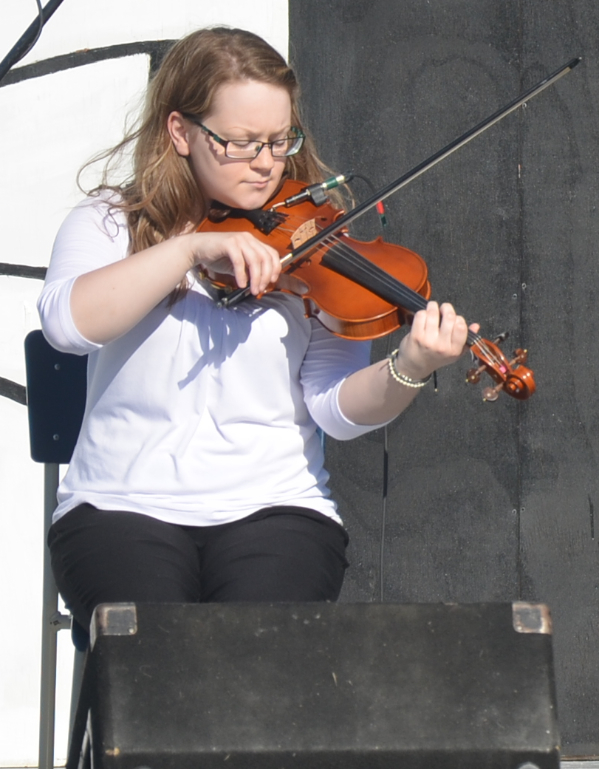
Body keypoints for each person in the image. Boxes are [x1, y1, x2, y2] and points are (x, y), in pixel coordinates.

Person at [38, 26, 474, 632]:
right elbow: (67, 326)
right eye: (242, 143)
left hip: (277, 508)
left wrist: (411, 367)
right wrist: (188, 248)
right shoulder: (112, 223)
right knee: (155, 660)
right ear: (181, 132)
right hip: (119, 507)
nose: (267, 163)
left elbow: (334, 408)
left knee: (259, 664)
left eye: (280, 140)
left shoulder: (315, 238)